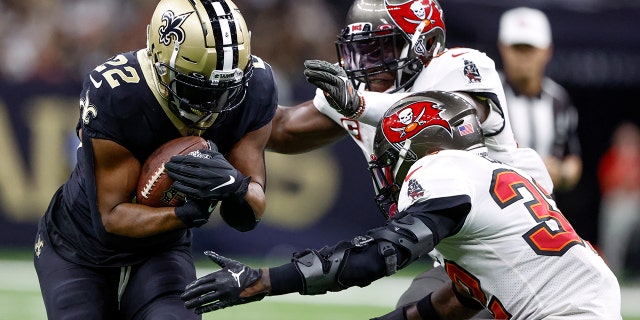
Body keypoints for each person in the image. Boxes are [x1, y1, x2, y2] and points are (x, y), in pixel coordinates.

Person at [181, 91, 622, 319]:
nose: (388, 169)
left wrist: (262, 281)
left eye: (391, 155)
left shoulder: (442, 170)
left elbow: (380, 253)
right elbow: (453, 304)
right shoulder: (491, 176)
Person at [268, 0, 551, 316]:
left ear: (426, 44)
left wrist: (358, 104)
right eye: (362, 49)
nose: (369, 62)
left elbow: (442, 110)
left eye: (383, 49)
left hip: (524, 251)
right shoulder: (359, 91)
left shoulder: (459, 67)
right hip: (462, 263)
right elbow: (280, 129)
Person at [33, 0, 277, 318]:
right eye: (197, 88)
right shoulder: (118, 94)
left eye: (224, 90)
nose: (212, 105)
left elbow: (250, 213)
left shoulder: (254, 85)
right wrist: (186, 214)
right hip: (78, 248)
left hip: (161, 249)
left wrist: (236, 188)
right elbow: (110, 219)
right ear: (160, 61)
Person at [497, 7, 582, 192]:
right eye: (517, 48)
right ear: (502, 48)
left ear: (547, 51)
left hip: (544, 209)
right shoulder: (488, 94)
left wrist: (562, 173)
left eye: (530, 48)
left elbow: (572, 158)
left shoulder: (559, 100)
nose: (523, 56)